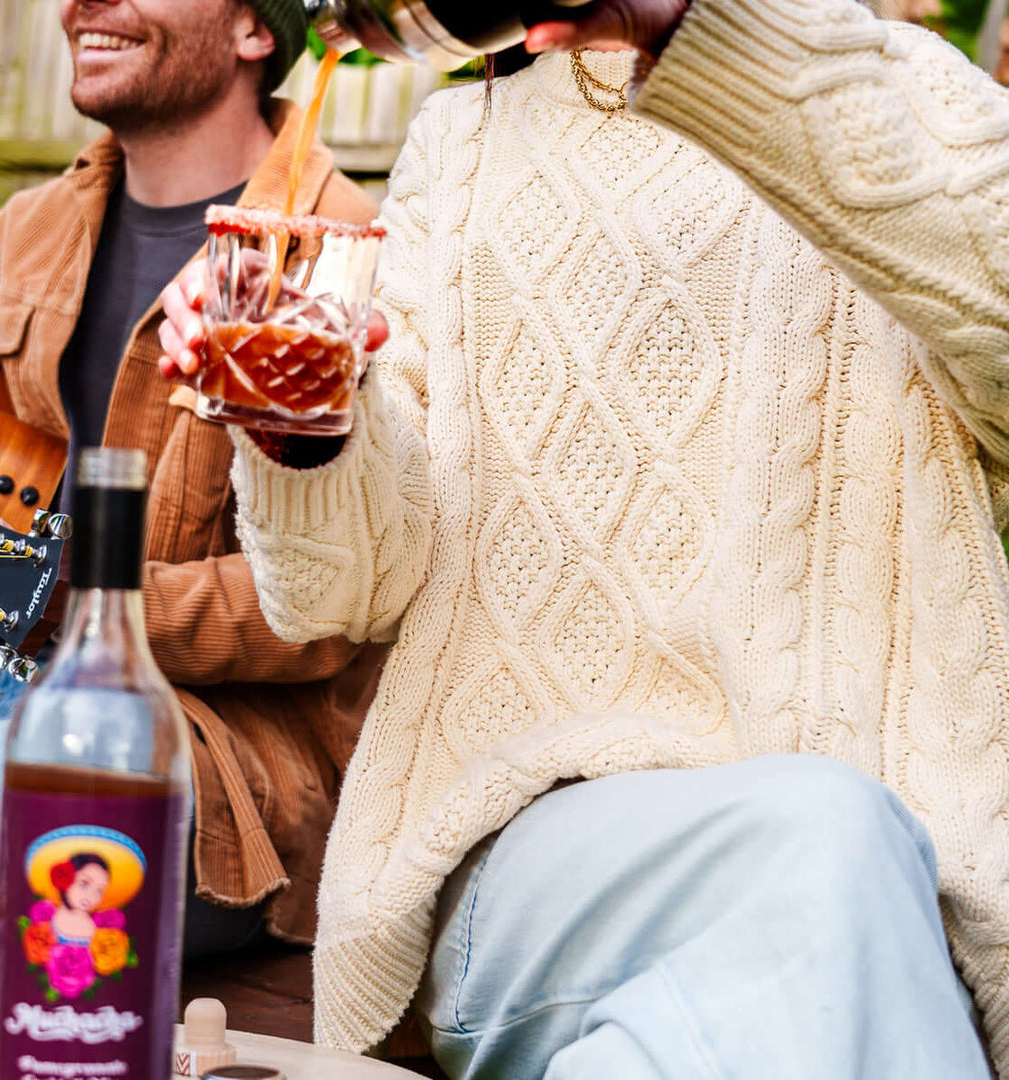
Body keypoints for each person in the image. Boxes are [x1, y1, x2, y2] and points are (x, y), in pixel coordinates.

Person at [160, 0, 1009, 1073]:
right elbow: (340, 594)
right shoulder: (462, 147)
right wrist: (306, 432)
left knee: (823, 877)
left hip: (900, 877)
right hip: (536, 860)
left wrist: (704, 31)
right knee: (825, 841)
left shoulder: (890, 95)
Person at [0, 0, 387, 957]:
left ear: (254, 31)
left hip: (225, 760)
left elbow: (330, 608)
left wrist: (37, 592)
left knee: (36, 750)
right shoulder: (32, 228)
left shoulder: (341, 255)